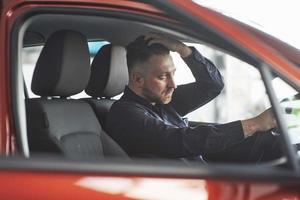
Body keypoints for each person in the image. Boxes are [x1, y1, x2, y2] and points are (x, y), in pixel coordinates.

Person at [106, 33, 279, 162]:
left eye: (173, 74)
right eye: (163, 77)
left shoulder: (163, 101)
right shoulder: (125, 114)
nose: (173, 85)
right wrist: (254, 124)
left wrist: (185, 51)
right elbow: (180, 140)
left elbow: (212, 85)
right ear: (137, 79)